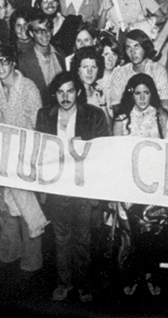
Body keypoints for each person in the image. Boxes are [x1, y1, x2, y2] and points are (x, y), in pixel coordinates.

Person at [36, 71, 111, 303]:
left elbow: (104, 150)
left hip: (83, 187)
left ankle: (83, 285)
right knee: (61, 237)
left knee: (83, 238)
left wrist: (85, 150)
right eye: (60, 92)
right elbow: (38, 149)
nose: (65, 97)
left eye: (70, 91)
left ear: (78, 92)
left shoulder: (94, 115)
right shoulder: (45, 115)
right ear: (54, 94)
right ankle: (63, 283)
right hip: (57, 186)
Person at [0, 44, 48, 276]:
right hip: (5, 152)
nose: (1, 67)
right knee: (8, 207)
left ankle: (32, 263)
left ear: (13, 62)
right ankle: (9, 255)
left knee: (27, 207)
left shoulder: (29, 88)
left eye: (4, 61)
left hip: (26, 153)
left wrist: (30, 156)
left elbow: (38, 123)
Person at [111, 72, 168, 297]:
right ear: (131, 94)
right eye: (138, 93)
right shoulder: (121, 118)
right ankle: (133, 275)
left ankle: (150, 275)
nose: (142, 97)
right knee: (132, 234)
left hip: (154, 185)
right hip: (129, 184)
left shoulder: (161, 115)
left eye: (147, 92)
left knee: (153, 233)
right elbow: (116, 153)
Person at [108, 29, 168, 113]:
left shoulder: (158, 70)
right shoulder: (120, 73)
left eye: (136, 47)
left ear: (145, 47)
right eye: (128, 48)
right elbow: (116, 106)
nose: (132, 52)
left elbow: (166, 106)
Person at [18, 15, 66, 106]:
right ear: (32, 34)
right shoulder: (24, 61)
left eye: (47, 29)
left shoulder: (60, 54)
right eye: (38, 30)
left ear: (51, 31)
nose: (44, 33)